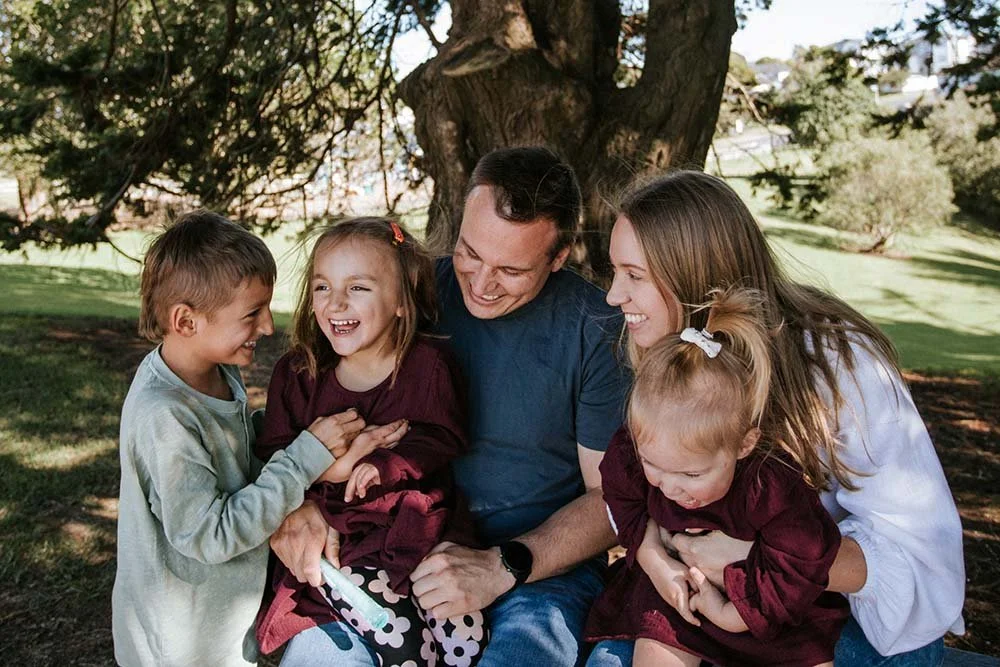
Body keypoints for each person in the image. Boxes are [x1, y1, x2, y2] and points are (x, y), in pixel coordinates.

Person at [268, 147, 629, 666]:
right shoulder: (409, 292)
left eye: (510, 270)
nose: (480, 285)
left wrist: (503, 566)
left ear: (559, 255)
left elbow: (613, 500)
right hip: (380, 546)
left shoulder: (595, 331)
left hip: (534, 572)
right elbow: (306, 397)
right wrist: (296, 504)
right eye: (470, 253)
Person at [587, 170, 965, 666]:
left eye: (634, 276)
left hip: (834, 614)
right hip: (704, 598)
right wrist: (655, 554)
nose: (614, 296)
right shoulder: (671, 362)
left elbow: (920, 560)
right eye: (616, 272)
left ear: (692, 273)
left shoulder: (839, 366)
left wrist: (758, 558)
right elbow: (627, 486)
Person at [112, 211, 351, 666]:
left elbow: (230, 448)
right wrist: (302, 460)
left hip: (221, 625)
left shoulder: (210, 371)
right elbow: (212, 535)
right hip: (184, 647)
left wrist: (292, 429)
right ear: (186, 321)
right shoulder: (165, 416)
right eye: (251, 314)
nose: (266, 326)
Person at [253, 217, 486, 666]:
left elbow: (443, 434)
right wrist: (329, 468)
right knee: (405, 645)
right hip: (343, 545)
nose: (336, 303)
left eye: (357, 288)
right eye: (322, 287)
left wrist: (388, 464)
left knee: (465, 641)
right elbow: (272, 460)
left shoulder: (428, 366)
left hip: (419, 531)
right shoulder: (298, 376)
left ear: (401, 300)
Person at [586, 286, 850, 666]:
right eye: (655, 467)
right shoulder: (632, 453)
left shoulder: (770, 485)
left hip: (764, 610)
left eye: (692, 473)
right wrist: (653, 558)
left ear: (744, 445)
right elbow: (622, 496)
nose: (671, 487)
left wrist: (729, 613)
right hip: (677, 594)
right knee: (656, 652)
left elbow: (802, 560)